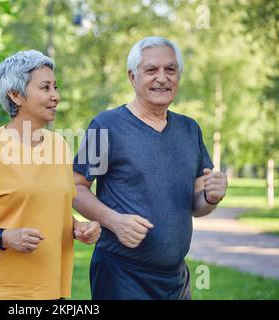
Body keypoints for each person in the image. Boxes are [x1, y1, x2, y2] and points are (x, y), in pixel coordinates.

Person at [0, 50, 101, 300]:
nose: (56, 96)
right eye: (45, 88)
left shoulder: (59, 146)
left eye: (55, 87)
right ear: (15, 95)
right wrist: (4, 237)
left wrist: (78, 227)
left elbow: (46, 207)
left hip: (50, 290)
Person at [72, 36, 228, 300]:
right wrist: (115, 221)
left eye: (170, 69)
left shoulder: (190, 129)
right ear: (132, 77)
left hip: (176, 279)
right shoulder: (106, 125)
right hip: (121, 274)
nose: (162, 78)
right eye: (151, 70)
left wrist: (211, 197)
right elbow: (75, 187)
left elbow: (197, 207)